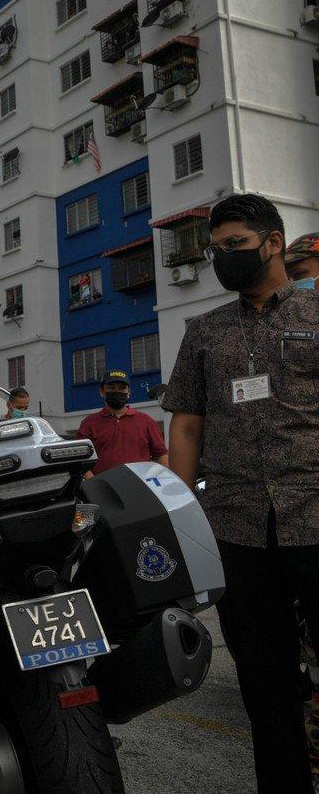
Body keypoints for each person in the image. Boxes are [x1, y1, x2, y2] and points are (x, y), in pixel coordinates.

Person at [163, 193, 319, 793]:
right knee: (263, 683)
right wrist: (183, 512)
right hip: (236, 528)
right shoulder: (204, 332)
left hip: (315, 516)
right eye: (216, 249)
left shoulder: (314, 314)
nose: (223, 257)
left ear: (273, 243)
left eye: (236, 245)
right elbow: (187, 424)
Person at [75, 369, 168, 478]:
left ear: (129, 393)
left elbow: (161, 455)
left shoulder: (146, 421)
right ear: (102, 391)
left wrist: (163, 479)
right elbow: (80, 459)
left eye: (122, 388)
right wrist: (94, 483)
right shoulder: (89, 423)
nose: (117, 391)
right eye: (111, 388)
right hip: (102, 486)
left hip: (140, 485)